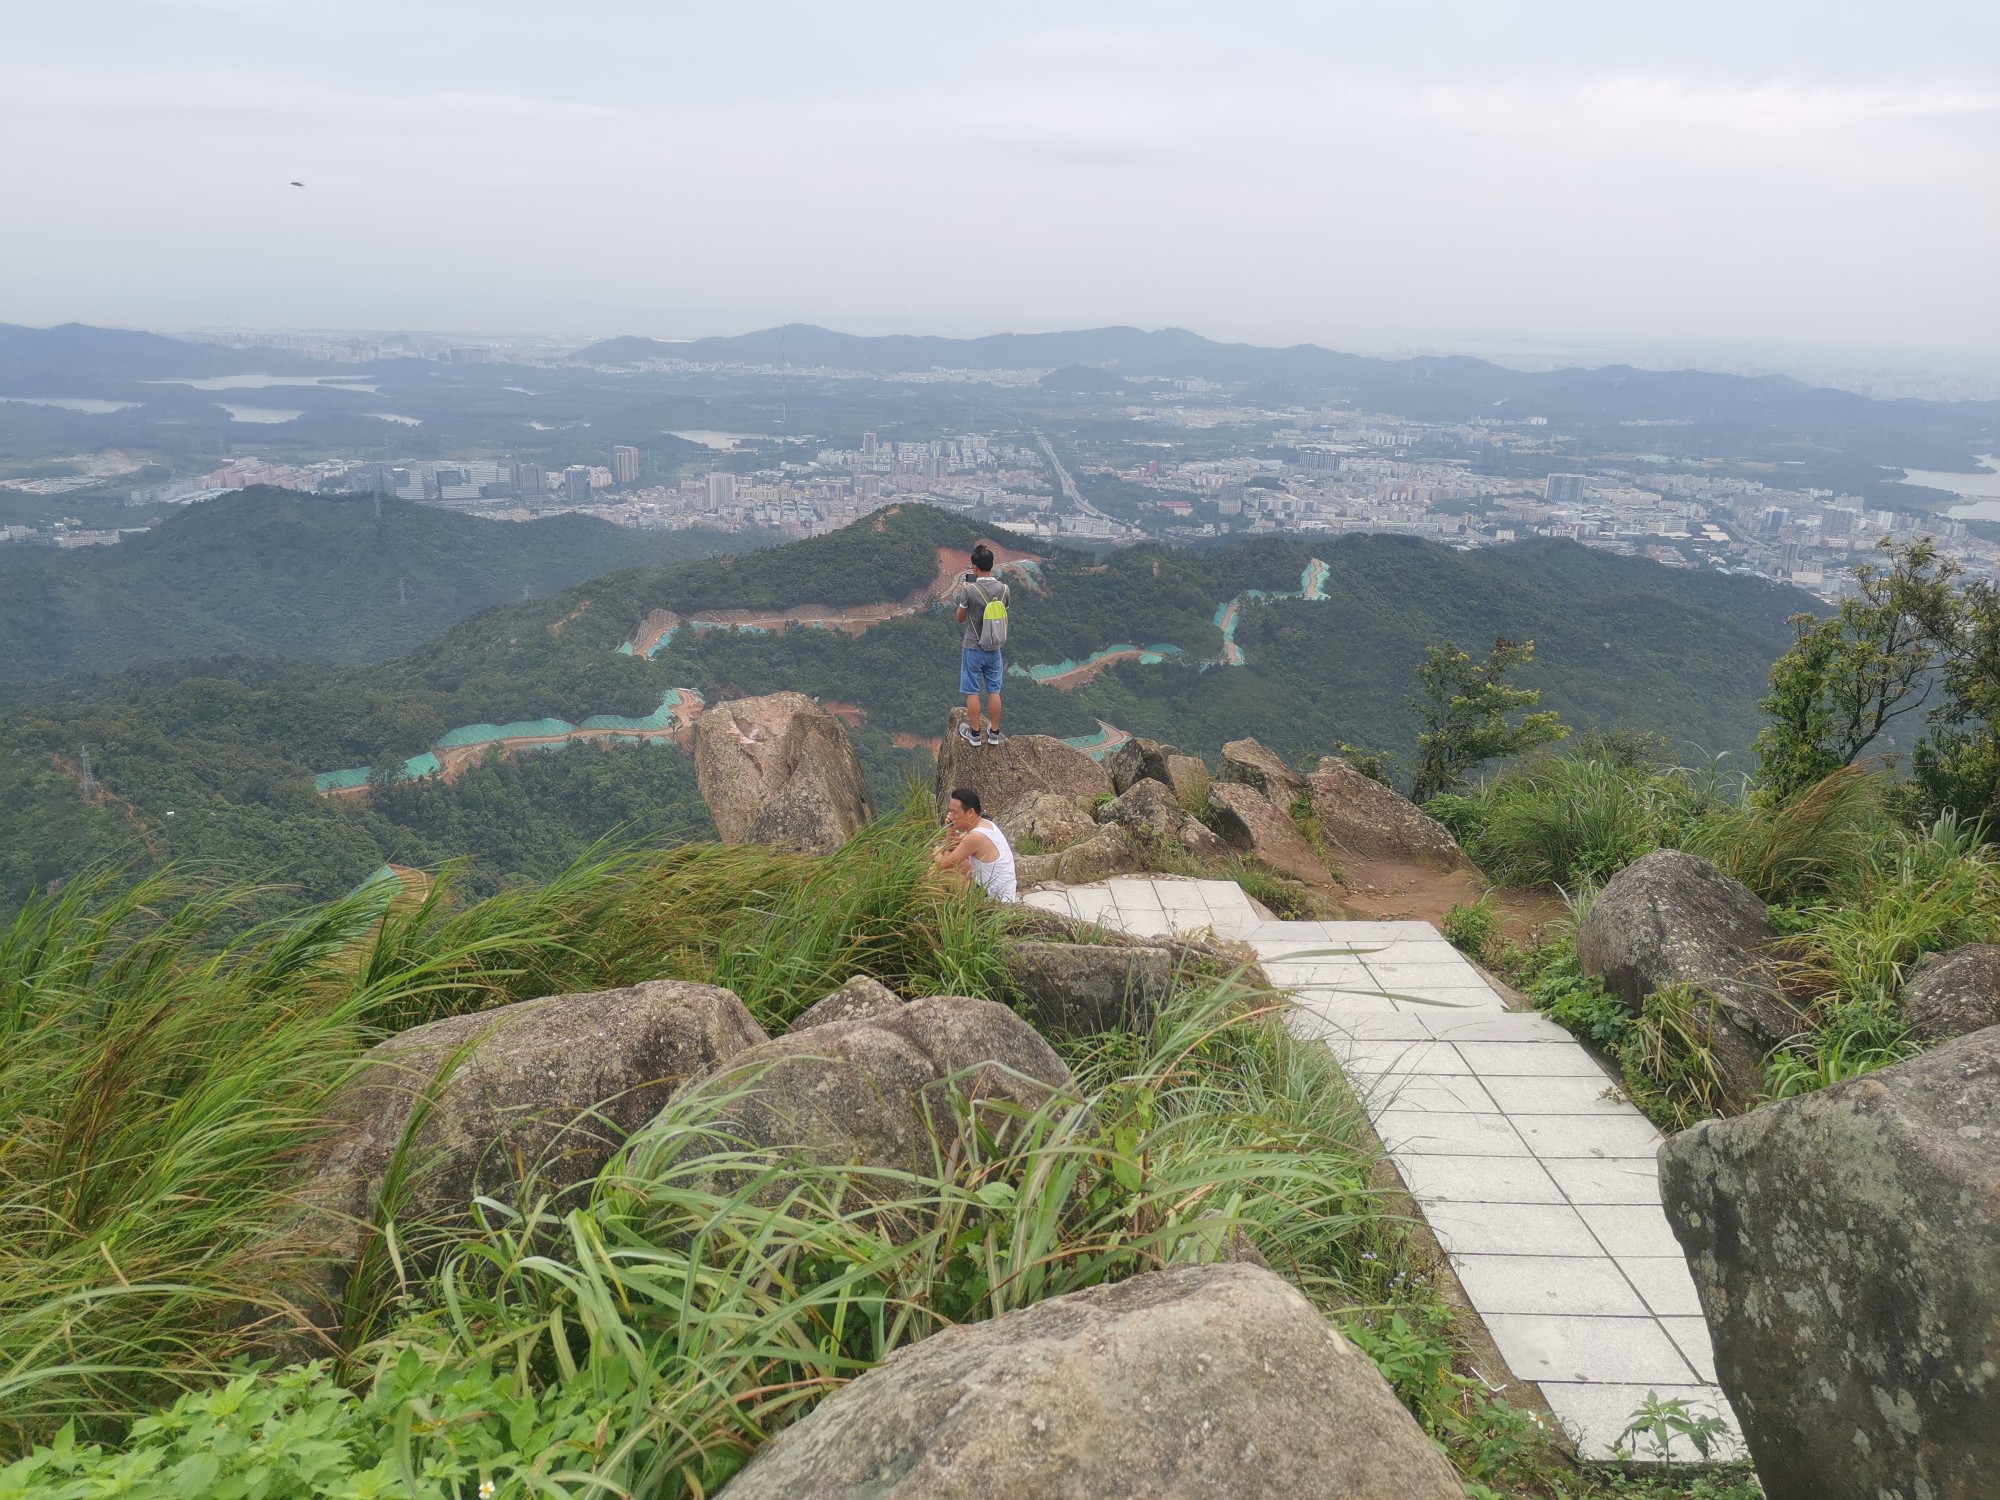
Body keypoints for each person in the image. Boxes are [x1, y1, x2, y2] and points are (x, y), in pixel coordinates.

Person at [952, 543, 1009, 747]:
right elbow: (1003, 616)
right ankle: (994, 733)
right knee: (994, 691)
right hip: (994, 648)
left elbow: (960, 618)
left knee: (973, 691)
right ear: (991, 565)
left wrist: (964, 596)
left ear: (974, 568)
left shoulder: (970, 590)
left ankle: (975, 734)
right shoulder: (1004, 590)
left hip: (973, 647)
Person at [933, 786, 1017, 902]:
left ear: (970, 812)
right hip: (1002, 892)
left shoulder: (975, 837)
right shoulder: (985, 825)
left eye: (954, 812)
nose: (950, 815)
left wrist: (938, 854)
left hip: (994, 899)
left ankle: (937, 909)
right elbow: (952, 847)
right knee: (944, 855)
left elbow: (944, 865)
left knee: (938, 872)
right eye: (949, 811)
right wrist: (950, 829)